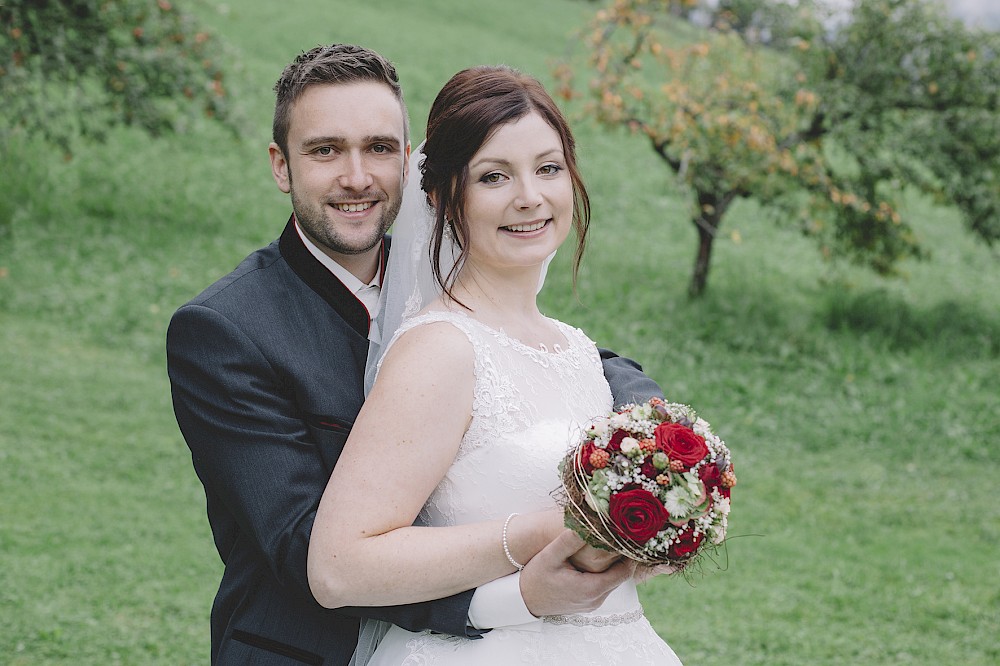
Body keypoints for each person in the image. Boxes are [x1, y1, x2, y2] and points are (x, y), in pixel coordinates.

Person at [166, 44, 663, 665]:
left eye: (378, 148)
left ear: (410, 161)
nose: (357, 176)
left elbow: (544, 358)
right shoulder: (226, 331)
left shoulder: (445, 268)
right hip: (312, 647)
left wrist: (659, 442)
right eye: (325, 150)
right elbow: (304, 548)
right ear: (281, 165)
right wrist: (514, 599)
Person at [307, 65, 683, 664]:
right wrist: (547, 532)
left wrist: (651, 530)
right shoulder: (440, 349)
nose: (529, 196)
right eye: (494, 176)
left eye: (548, 168)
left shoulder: (579, 352)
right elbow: (338, 568)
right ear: (442, 197)